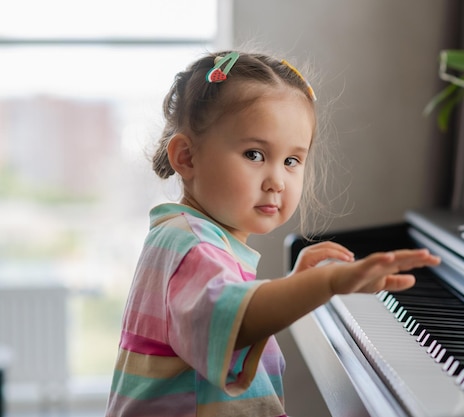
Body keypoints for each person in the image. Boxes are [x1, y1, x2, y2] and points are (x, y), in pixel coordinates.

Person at [105, 50, 441, 417]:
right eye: (254, 154)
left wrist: (295, 283)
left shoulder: (192, 237)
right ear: (186, 157)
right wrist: (323, 284)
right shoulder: (188, 244)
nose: (277, 181)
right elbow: (232, 320)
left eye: (292, 161)